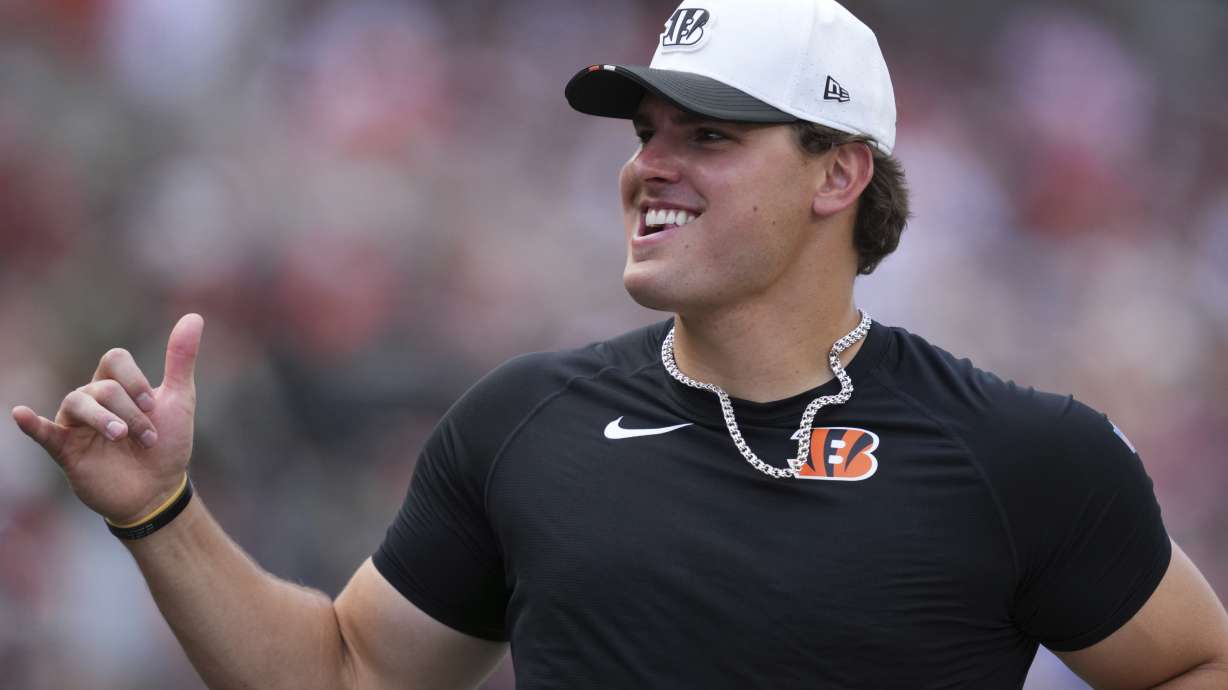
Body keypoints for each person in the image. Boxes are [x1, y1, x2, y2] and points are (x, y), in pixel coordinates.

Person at [12, 0, 1228, 688]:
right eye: (648, 130)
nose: (648, 163)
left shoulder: (1018, 449)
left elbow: (1190, 664)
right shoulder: (523, 422)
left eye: (707, 135)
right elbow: (344, 678)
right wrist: (161, 510)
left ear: (838, 174)